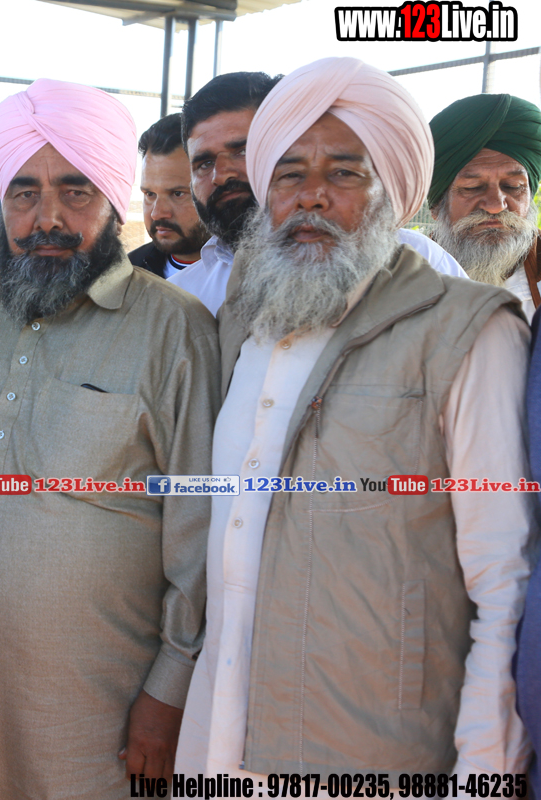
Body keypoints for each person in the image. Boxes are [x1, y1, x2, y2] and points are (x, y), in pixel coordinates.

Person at [176, 57, 535, 778]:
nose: (311, 195)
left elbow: (504, 582)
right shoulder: (242, 322)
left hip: (373, 751)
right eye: (289, 173)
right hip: (218, 736)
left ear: (394, 191)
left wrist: (484, 774)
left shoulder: (468, 329)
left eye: (344, 172)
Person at [0, 78, 219, 798]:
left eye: (75, 191)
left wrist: (171, 688)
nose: (47, 218)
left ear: (113, 198)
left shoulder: (174, 329)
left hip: (97, 714)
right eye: (23, 194)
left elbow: (201, 530)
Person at [171, 71, 468, 315]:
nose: (221, 175)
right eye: (204, 163)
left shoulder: (422, 263)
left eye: (243, 151)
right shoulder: (184, 299)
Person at [428, 94, 541, 318]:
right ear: (436, 206)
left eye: (513, 186)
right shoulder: (399, 279)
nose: (496, 206)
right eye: (472, 187)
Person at [129, 113, 209, 278]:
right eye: (150, 194)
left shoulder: (252, 274)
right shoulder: (128, 273)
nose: (157, 213)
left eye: (177, 194)